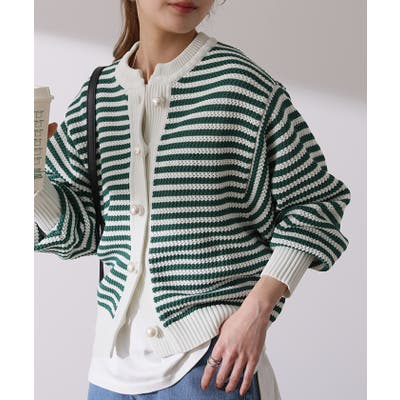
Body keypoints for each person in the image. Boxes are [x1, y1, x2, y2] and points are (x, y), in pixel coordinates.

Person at [34, 1, 352, 399]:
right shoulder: (97, 95)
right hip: (110, 374)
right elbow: (79, 235)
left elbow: (316, 203)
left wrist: (256, 313)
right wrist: (32, 184)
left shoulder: (243, 86)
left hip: (210, 366)